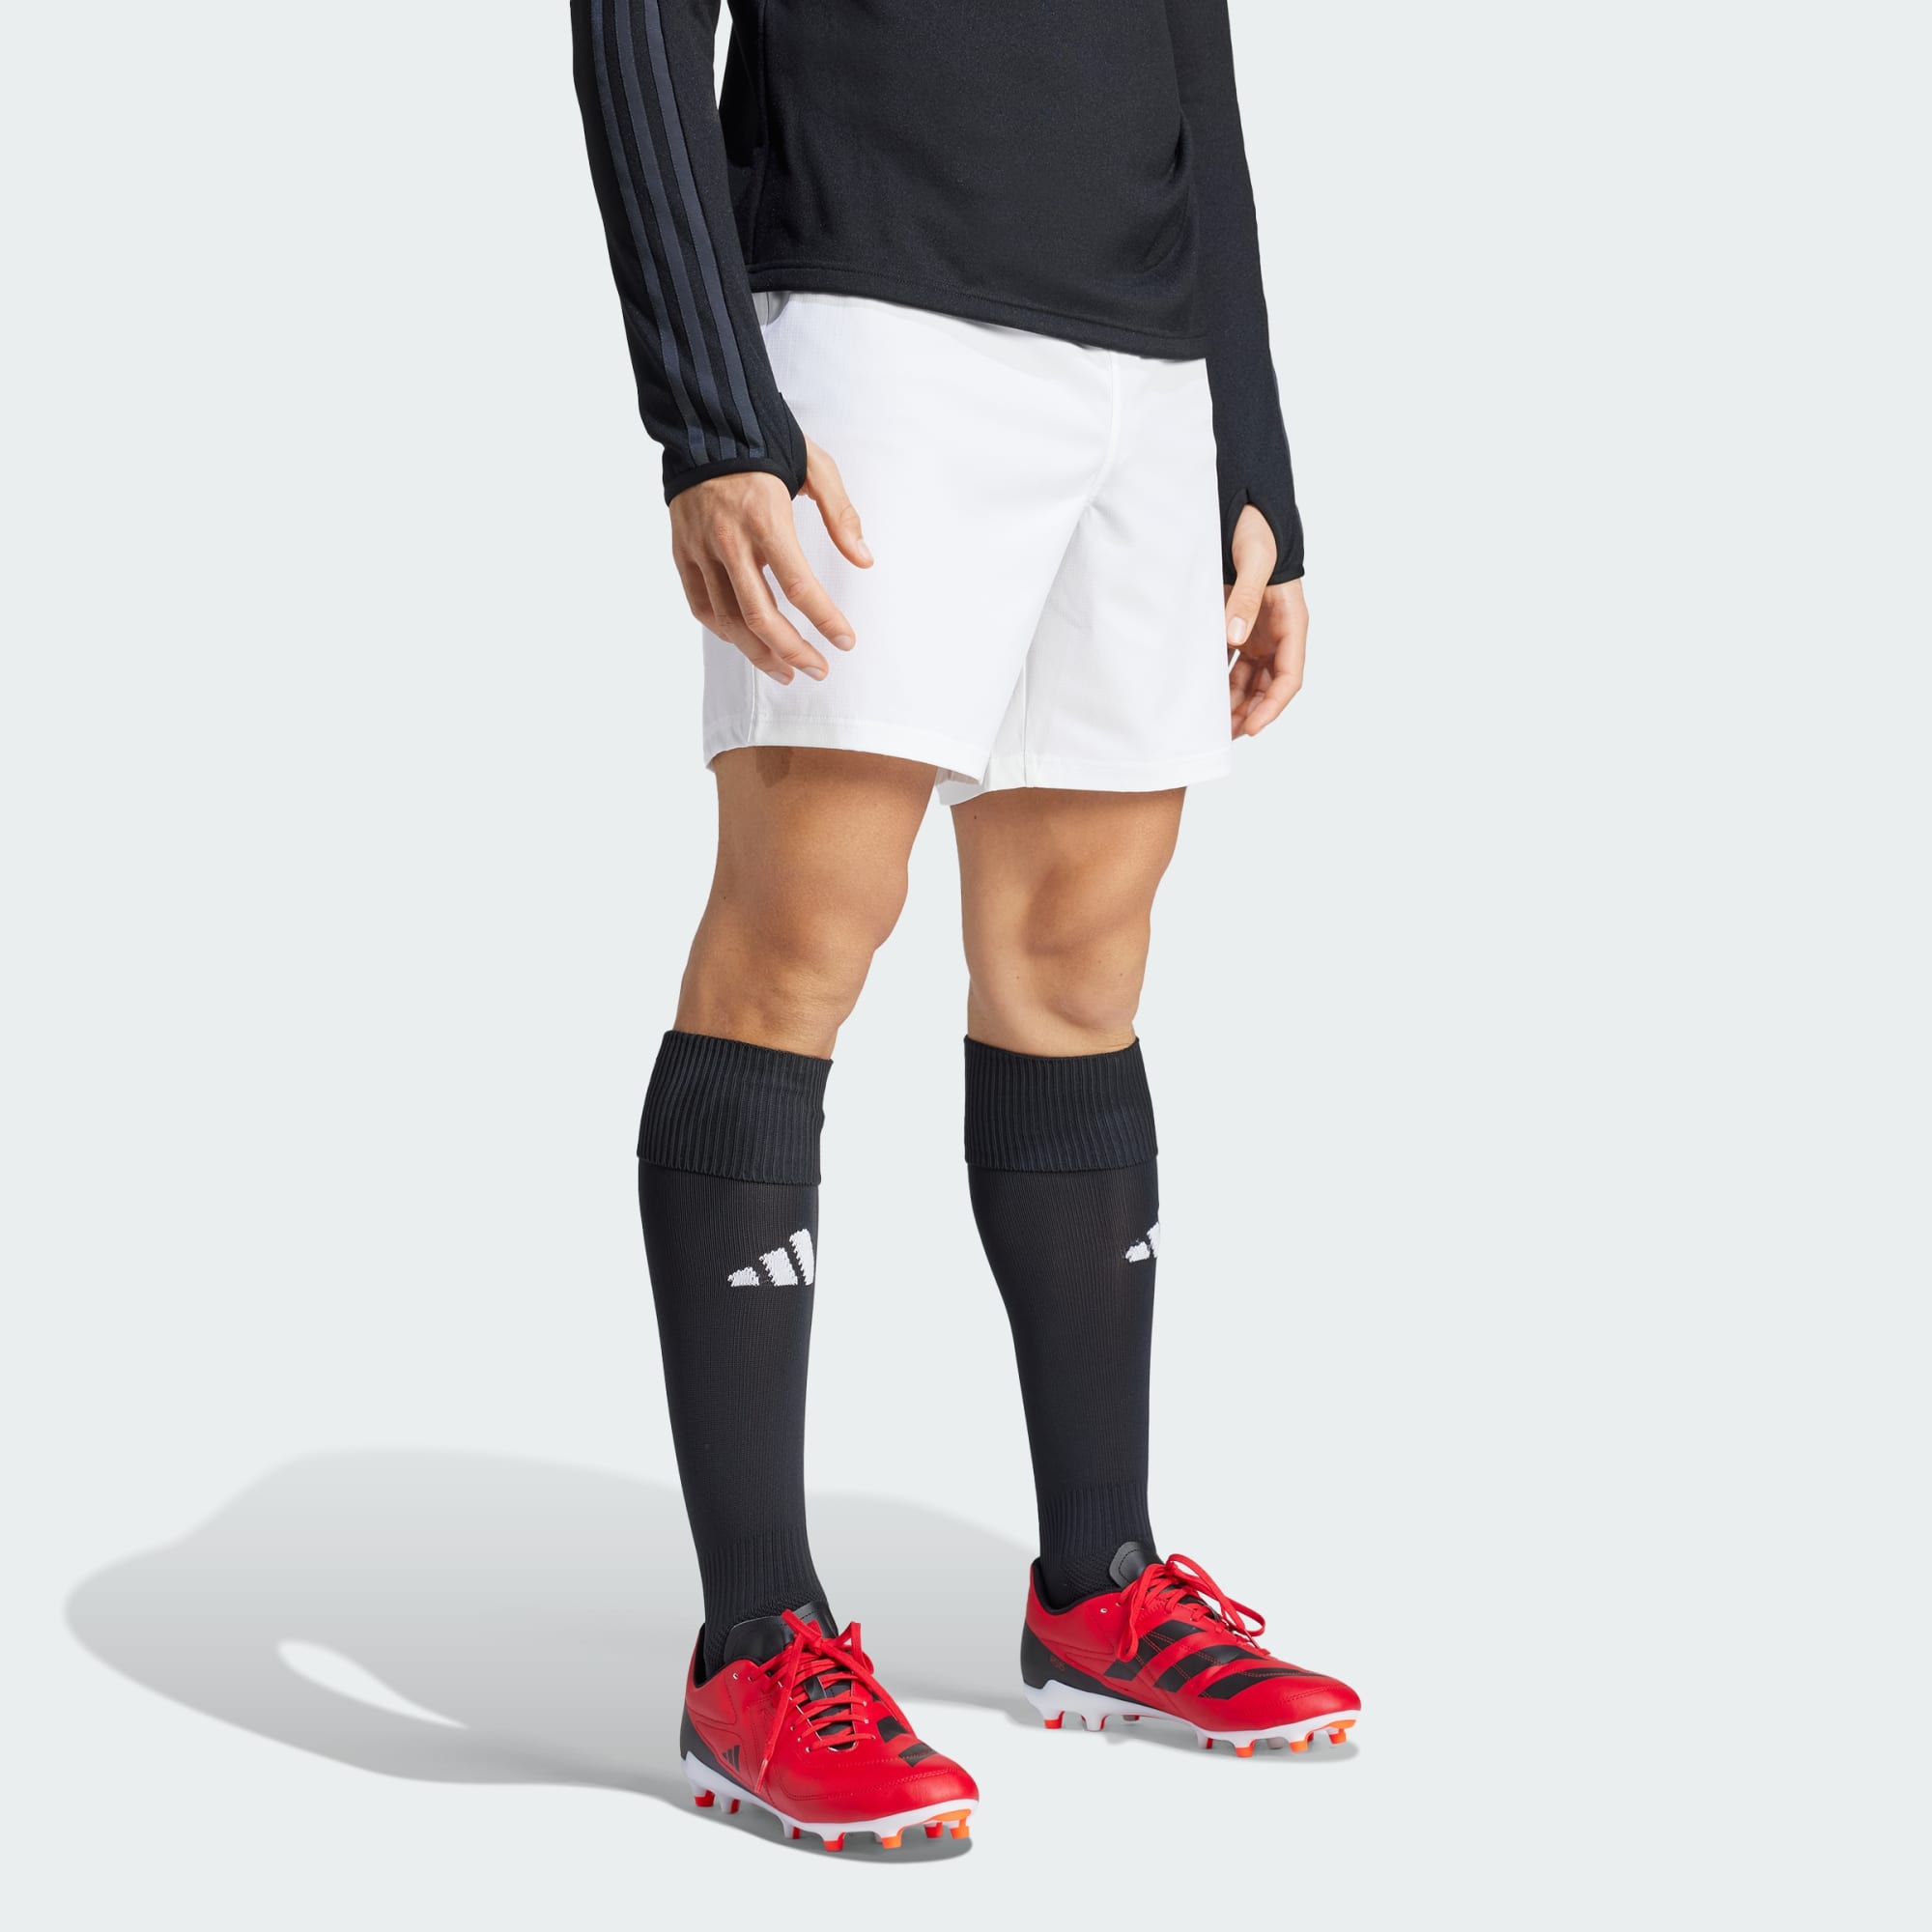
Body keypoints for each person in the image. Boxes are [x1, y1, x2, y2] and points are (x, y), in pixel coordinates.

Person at [571, 0, 1359, 1852]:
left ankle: (1099, 1585)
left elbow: (1189, 43)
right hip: (875, 315)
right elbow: (631, 23)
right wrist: (711, 411)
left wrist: (1250, 441)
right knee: (800, 939)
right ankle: (754, 1644)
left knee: (1082, 961)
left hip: (1143, 363)